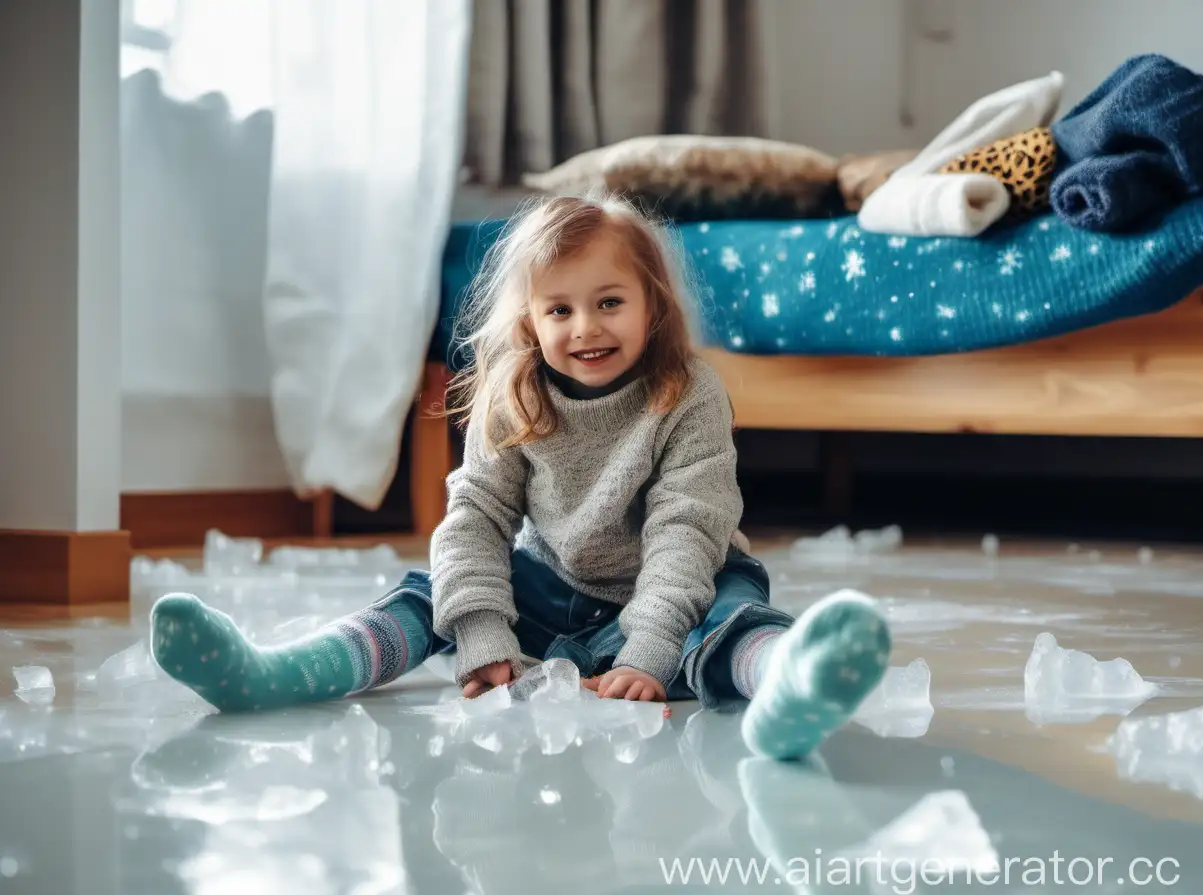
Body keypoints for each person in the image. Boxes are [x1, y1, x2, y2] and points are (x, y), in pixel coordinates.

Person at [149, 194, 892, 760]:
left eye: (610, 303)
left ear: (652, 306)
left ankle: (794, 681)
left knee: (732, 620)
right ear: (530, 322)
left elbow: (688, 524)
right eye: (559, 309)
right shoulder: (515, 391)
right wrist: (481, 634)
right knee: (431, 591)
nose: (585, 328)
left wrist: (650, 652)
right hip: (554, 589)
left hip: (677, 587)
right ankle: (278, 675)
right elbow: (475, 517)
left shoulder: (686, 392)